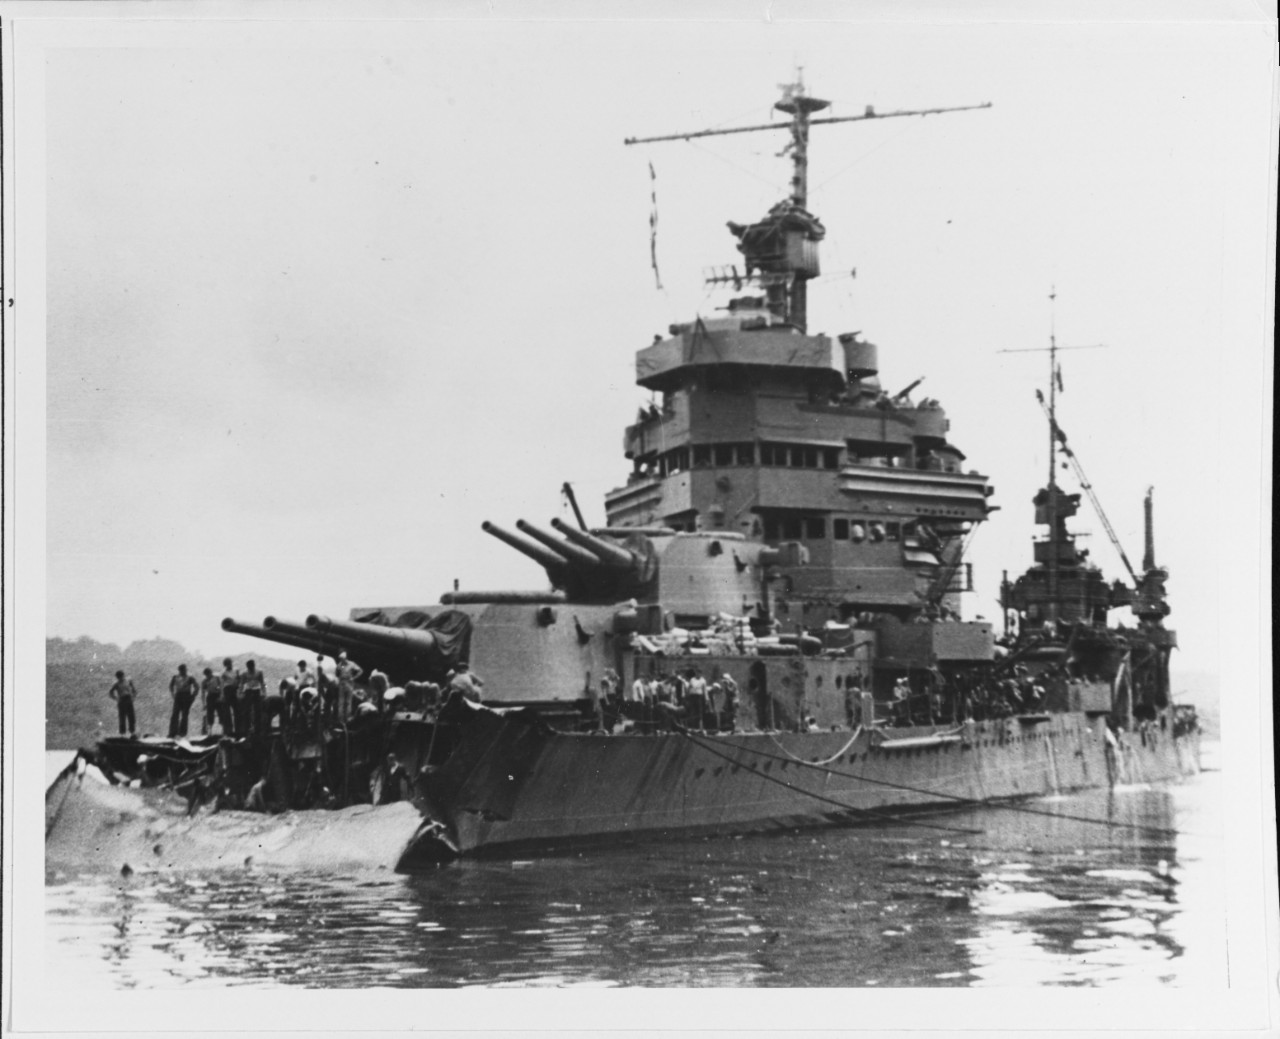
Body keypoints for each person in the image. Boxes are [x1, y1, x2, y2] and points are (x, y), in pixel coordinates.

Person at [168, 663, 200, 738]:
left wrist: (193, 696)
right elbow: (171, 686)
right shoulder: (175, 677)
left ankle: (182, 733)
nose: (184, 671)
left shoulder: (190, 677)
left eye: (185, 670)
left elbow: (197, 686)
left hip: (186, 695)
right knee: (175, 714)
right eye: (182, 670)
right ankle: (173, 732)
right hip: (178, 695)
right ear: (179, 670)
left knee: (184, 715)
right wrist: (173, 694)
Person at [237, 659, 266, 737]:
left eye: (252, 666)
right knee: (246, 711)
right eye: (249, 667)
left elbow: (262, 683)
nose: (251, 668)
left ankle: (257, 729)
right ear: (247, 667)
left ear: (254, 665)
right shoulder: (244, 673)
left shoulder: (259, 672)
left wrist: (264, 692)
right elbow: (241, 684)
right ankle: (247, 728)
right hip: (248, 691)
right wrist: (240, 693)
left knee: (258, 711)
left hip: (256, 691)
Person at [335, 651, 363, 720]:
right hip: (342, 683)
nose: (341, 661)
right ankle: (340, 718)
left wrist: (353, 678)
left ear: (345, 658)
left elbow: (360, 671)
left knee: (348, 701)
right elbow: (337, 672)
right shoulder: (340, 664)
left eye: (342, 659)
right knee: (341, 702)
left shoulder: (351, 664)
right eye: (340, 659)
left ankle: (347, 717)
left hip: (349, 683)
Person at [108, 670, 137, 736]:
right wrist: (116, 698)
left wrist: (133, 696)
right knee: (122, 717)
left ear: (123, 675)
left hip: (129, 698)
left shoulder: (128, 681)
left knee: (131, 716)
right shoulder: (116, 684)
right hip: (122, 700)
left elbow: (134, 689)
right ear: (117, 677)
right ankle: (122, 733)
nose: (121, 678)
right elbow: (110, 692)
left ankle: (132, 731)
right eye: (119, 677)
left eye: (122, 676)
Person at [218, 658, 239, 736]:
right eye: (228, 664)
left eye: (230, 663)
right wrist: (222, 695)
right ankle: (228, 730)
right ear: (225, 665)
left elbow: (238, 679)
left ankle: (238, 729)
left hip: (234, 690)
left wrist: (238, 689)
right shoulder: (223, 673)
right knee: (227, 712)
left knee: (237, 710)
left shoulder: (236, 670)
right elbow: (222, 685)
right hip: (227, 690)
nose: (230, 665)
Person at [200, 666, 221, 735]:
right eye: (206, 675)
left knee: (221, 713)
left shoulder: (217, 678)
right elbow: (203, 693)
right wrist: (203, 704)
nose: (208, 676)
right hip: (210, 697)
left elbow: (222, 687)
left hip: (217, 695)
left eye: (209, 674)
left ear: (211, 673)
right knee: (210, 714)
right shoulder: (204, 681)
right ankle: (210, 731)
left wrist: (221, 696)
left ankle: (222, 730)